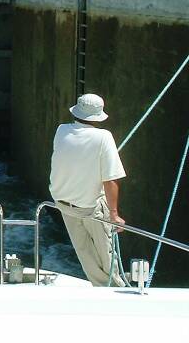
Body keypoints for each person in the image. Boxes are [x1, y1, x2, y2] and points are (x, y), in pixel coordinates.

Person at [49, 93, 127, 287]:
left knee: (85, 253)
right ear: (98, 116)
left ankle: (100, 287)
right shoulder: (104, 137)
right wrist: (114, 215)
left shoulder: (61, 130)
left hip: (63, 203)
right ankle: (115, 290)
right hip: (89, 207)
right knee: (106, 255)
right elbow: (110, 179)